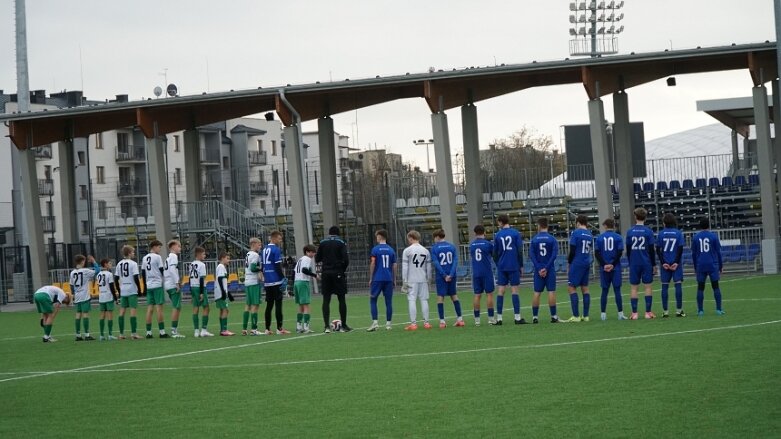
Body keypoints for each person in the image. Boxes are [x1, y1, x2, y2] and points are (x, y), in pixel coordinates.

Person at [316, 226, 351, 333]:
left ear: (329, 233)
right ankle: (343, 325)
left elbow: (317, 258)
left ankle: (326, 326)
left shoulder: (323, 243)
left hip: (326, 273)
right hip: (338, 273)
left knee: (326, 299)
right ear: (338, 233)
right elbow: (346, 259)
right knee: (341, 298)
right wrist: (342, 270)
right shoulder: (341, 243)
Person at [492, 213, 525, 325]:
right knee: (514, 290)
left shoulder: (498, 235)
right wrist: (521, 265)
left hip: (502, 266)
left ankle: (499, 319)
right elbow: (520, 250)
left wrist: (498, 263)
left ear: (501, 222)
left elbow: (494, 253)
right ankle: (517, 317)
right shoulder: (515, 233)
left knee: (501, 291)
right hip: (513, 265)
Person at [626, 207, 657, 320]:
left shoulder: (630, 231)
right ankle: (648, 313)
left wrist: (630, 261)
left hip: (634, 262)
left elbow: (628, 249)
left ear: (635, 217)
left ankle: (634, 314)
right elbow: (651, 250)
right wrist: (654, 264)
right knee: (648, 287)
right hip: (646, 262)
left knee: (634, 288)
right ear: (645, 217)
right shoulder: (648, 231)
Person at [431, 229, 464, 328]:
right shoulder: (451, 246)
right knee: (454, 295)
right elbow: (455, 261)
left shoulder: (434, 248)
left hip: (442, 276)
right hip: (452, 275)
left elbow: (436, 263)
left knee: (440, 297)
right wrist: (451, 274)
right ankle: (460, 319)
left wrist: (444, 275)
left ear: (437, 237)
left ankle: (442, 321)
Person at [595, 218, 627, 321]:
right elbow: (619, 252)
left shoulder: (599, 238)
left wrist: (604, 264)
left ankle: (603, 315)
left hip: (604, 268)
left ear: (605, 226)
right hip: (615, 267)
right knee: (617, 290)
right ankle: (620, 314)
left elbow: (597, 253)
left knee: (604, 291)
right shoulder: (618, 237)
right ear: (613, 226)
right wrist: (612, 264)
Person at [691, 218, 724, 316]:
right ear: (709, 225)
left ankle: (700, 310)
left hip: (700, 264)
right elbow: (718, 253)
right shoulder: (713, 236)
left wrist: (695, 267)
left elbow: (693, 254)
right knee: (716, 286)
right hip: (712, 264)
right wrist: (721, 266)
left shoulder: (696, 237)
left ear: (700, 226)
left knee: (700, 288)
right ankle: (718, 309)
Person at [529, 218, 559, 323]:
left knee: (537, 293)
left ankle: (535, 317)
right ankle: (554, 316)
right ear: (547, 226)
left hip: (538, 271)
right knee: (551, 292)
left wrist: (538, 268)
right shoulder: (552, 239)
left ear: (539, 225)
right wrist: (546, 268)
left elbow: (532, 255)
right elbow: (554, 255)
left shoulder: (534, 239)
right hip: (549, 269)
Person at [565, 215, 594, 322]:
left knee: (571, 287)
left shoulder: (575, 233)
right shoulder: (590, 234)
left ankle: (576, 316)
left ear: (578, 222)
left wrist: (569, 262)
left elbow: (572, 250)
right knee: (585, 288)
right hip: (586, 262)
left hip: (577, 262)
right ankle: (585, 316)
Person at [657, 213, 686, 317]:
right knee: (678, 285)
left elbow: (658, 249)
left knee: (664, 286)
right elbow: (680, 249)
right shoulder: (678, 233)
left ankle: (665, 312)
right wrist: (676, 262)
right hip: (675, 264)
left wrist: (663, 262)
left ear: (664, 223)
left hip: (665, 264)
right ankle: (679, 310)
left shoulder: (661, 234)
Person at [402, 230, 432, 330]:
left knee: (411, 300)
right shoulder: (426, 250)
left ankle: (413, 324)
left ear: (411, 238)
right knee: (424, 299)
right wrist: (429, 279)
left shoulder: (407, 250)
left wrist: (404, 280)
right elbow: (429, 267)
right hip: (423, 278)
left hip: (411, 279)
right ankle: (426, 323)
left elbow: (405, 267)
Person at [367, 230, 396, 332]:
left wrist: (371, 277)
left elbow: (373, 263)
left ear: (380, 236)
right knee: (388, 302)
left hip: (377, 279)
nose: (376, 238)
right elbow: (394, 265)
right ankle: (388, 324)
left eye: (377, 236)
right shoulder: (391, 250)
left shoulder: (375, 249)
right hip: (388, 279)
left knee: (373, 300)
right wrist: (394, 279)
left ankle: (375, 323)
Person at [263, 231, 290, 335]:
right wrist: (283, 278)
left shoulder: (264, 249)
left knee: (269, 305)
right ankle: (279, 328)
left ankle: (267, 328)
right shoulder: (276, 249)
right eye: (279, 239)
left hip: (267, 282)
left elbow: (263, 267)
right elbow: (277, 266)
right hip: (276, 280)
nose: (280, 241)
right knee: (278, 304)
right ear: (273, 238)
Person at [142, 240, 168, 339]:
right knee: (159, 309)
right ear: (154, 247)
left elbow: (143, 273)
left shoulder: (145, 258)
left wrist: (144, 286)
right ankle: (162, 332)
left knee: (149, 309)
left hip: (149, 285)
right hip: (157, 285)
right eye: (159, 247)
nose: (160, 249)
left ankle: (148, 332)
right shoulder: (157, 257)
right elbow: (162, 270)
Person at [470, 225, 495, 326]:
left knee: (477, 295)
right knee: (489, 294)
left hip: (476, 272)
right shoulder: (488, 244)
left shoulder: (472, 245)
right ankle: (491, 319)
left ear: (475, 233)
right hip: (486, 272)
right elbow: (493, 255)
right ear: (484, 232)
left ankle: (477, 320)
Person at [116, 245, 142, 340]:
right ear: (129, 253)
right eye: (133, 252)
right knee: (133, 311)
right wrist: (139, 289)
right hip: (131, 290)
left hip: (123, 290)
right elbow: (136, 277)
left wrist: (119, 290)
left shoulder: (119, 264)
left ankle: (121, 334)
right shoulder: (133, 264)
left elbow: (116, 278)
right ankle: (134, 333)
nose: (134, 253)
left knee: (122, 312)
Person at [71, 254, 99, 341]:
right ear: (82, 261)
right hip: (84, 295)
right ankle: (87, 335)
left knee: (78, 314)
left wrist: (74, 294)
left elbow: (71, 285)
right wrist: (94, 261)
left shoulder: (72, 272)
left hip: (77, 295)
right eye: (84, 261)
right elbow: (97, 271)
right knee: (85, 314)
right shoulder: (85, 271)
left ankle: (78, 335)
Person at [294, 244, 319, 333]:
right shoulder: (307, 259)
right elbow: (304, 270)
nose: (313, 254)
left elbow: (296, 271)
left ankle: (299, 327)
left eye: (314, 252)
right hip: (303, 282)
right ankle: (306, 327)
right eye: (312, 252)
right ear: (307, 252)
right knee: (306, 305)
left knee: (300, 305)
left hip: (296, 282)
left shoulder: (300, 259)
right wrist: (315, 275)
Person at [190, 246, 213, 337]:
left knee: (195, 308)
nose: (205, 255)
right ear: (199, 254)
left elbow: (189, 279)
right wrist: (201, 293)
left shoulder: (191, 264)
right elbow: (201, 280)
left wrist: (192, 293)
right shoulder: (202, 265)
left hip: (193, 287)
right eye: (203, 254)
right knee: (206, 308)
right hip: (200, 288)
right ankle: (203, 330)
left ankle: (196, 331)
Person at [164, 239, 185, 338]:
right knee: (176, 307)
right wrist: (177, 283)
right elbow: (172, 270)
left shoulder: (168, 258)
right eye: (179, 246)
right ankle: (174, 330)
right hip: (172, 284)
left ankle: (174, 329)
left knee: (177, 307)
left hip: (168, 284)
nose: (180, 248)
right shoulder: (173, 256)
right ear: (173, 247)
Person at [242, 237, 263, 336]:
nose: (260, 246)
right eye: (259, 245)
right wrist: (261, 269)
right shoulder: (255, 255)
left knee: (248, 305)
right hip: (254, 282)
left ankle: (244, 328)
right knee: (255, 305)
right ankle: (254, 329)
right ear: (254, 244)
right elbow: (253, 267)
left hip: (247, 281)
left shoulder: (248, 254)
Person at [96, 259, 119, 341]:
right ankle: (110, 334)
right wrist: (116, 298)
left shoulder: (98, 274)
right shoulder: (109, 274)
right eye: (109, 263)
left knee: (102, 315)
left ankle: (101, 335)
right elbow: (112, 287)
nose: (111, 264)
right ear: (105, 264)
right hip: (108, 296)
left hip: (101, 296)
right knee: (110, 315)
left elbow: (99, 286)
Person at [214, 252, 235, 336]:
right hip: (220, 292)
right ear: (222, 258)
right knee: (225, 310)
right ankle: (224, 329)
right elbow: (219, 279)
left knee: (222, 310)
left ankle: (222, 330)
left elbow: (223, 281)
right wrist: (223, 292)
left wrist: (228, 293)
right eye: (227, 258)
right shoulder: (221, 266)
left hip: (220, 292)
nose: (228, 260)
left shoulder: (222, 267)